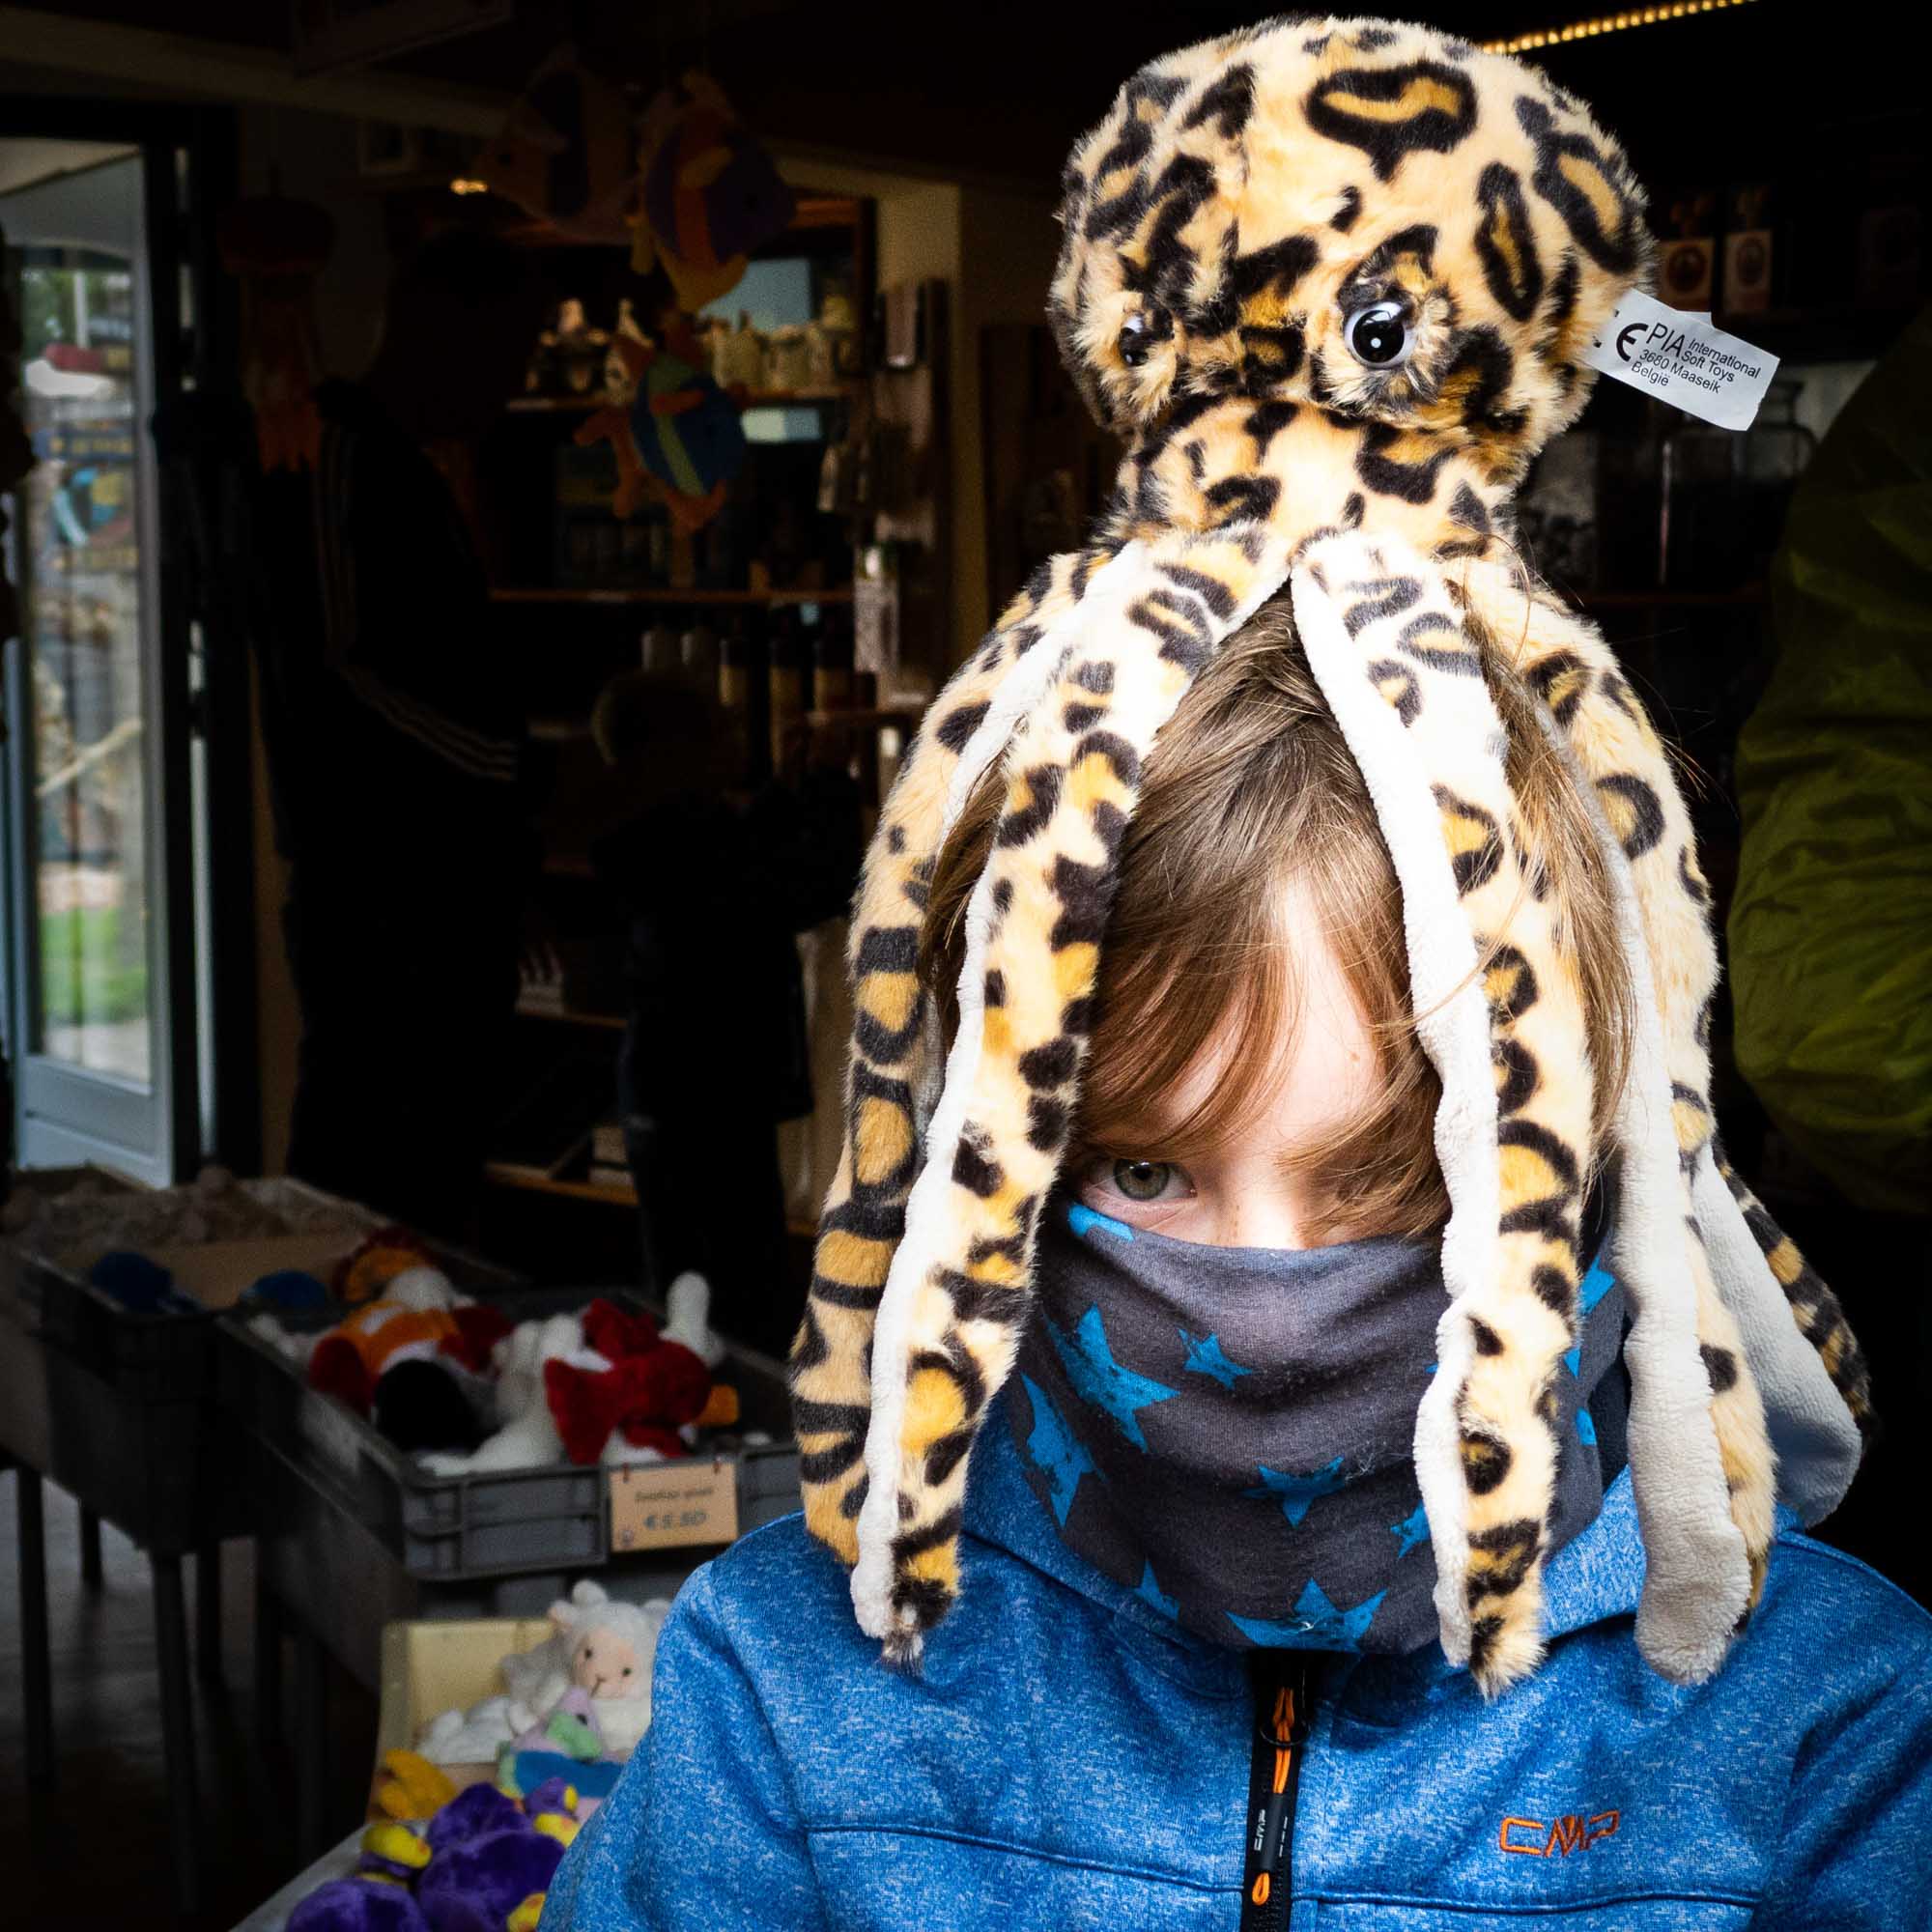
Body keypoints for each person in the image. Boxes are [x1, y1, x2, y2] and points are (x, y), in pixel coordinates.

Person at [542, 20, 1926, 1927]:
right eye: (1137, 1168)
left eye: (1384, 1179)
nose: (1263, 1303)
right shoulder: (792, 1690)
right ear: (982, 1158)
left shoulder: (1809, 1728)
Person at [246, 229, 547, 1236]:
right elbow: (329, 665)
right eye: (507, 353)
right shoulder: (338, 450)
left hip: (443, 901)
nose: (509, 386)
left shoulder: (412, 470)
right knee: (361, 1189)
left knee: (429, 1198)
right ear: (437, 326)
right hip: (376, 898)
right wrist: (505, 770)